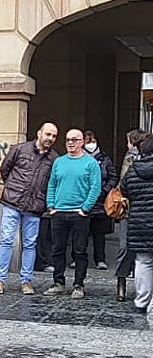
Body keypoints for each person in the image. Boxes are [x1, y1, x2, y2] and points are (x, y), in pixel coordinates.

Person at [0, 122, 58, 295]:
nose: (50, 138)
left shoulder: (54, 159)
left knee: (30, 244)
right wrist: (13, 188)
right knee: (6, 240)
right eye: (48, 134)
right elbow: (5, 170)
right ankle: (0, 280)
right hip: (12, 202)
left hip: (35, 206)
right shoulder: (20, 149)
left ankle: (26, 281)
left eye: (53, 136)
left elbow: (52, 183)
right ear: (39, 133)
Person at [44, 128, 103, 300]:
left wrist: (85, 208)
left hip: (79, 213)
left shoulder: (90, 163)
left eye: (75, 140)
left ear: (82, 142)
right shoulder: (59, 162)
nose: (71, 143)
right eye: (68, 139)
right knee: (57, 249)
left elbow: (95, 187)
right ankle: (58, 282)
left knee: (79, 251)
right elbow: (52, 184)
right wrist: (51, 205)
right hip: (59, 212)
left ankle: (79, 284)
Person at [118, 135, 153, 322]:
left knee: (143, 261)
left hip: (139, 223)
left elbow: (124, 191)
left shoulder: (132, 171)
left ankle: (141, 300)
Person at [82, 130, 118, 271]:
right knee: (81, 233)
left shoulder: (104, 159)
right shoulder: (80, 159)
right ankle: (77, 258)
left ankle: (100, 259)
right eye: (88, 142)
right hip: (83, 199)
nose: (90, 145)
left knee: (99, 234)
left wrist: (104, 190)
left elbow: (113, 177)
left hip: (101, 201)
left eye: (92, 142)